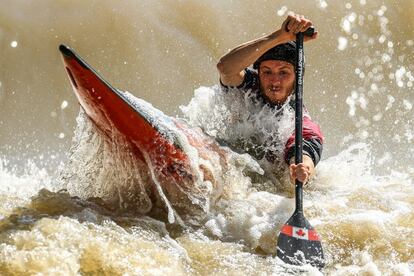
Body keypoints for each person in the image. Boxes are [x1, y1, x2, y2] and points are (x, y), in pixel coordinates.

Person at [216, 13, 323, 185]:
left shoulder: (298, 118)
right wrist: (280, 36)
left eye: (283, 72)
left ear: (297, 77)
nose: (274, 80)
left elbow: (306, 148)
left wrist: (303, 168)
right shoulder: (249, 85)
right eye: (267, 71)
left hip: (271, 183)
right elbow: (225, 68)